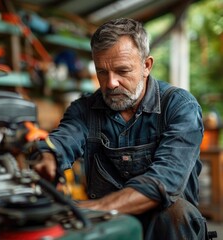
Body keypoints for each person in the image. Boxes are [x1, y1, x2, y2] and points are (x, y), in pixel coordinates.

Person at [32, 18, 207, 239]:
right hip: (108, 223)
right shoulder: (84, 109)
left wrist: (93, 209)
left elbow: (164, 182)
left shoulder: (180, 107)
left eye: (122, 70)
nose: (110, 83)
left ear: (146, 66)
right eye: (102, 72)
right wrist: (49, 155)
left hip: (168, 229)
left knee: (174, 212)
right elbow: (64, 138)